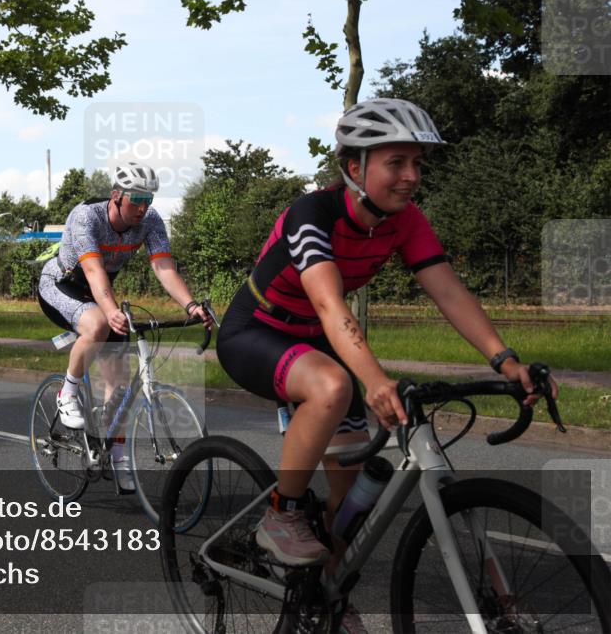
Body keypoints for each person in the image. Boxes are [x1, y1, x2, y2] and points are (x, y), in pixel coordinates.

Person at [215, 98, 557, 633]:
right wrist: (373, 382)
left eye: (417, 163)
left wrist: (506, 360)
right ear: (355, 168)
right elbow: (330, 305)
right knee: (332, 386)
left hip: (318, 341)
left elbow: (449, 290)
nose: (411, 177)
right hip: (257, 332)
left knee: (351, 500)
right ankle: (280, 511)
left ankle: (326, 594)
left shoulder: (404, 221)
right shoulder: (313, 214)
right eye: (396, 163)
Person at [38, 162, 213, 491]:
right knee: (99, 324)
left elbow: (163, 268)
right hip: (62, 284)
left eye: (149, 199)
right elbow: (91, 271)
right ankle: (68, 393)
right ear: (117, 196)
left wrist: (190, 305)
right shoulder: (86, 216)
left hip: (99, 291)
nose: (143, 207)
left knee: (118, 384)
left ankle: (117, 455)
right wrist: (110, 309)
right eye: (136, 199)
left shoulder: (150, 221)